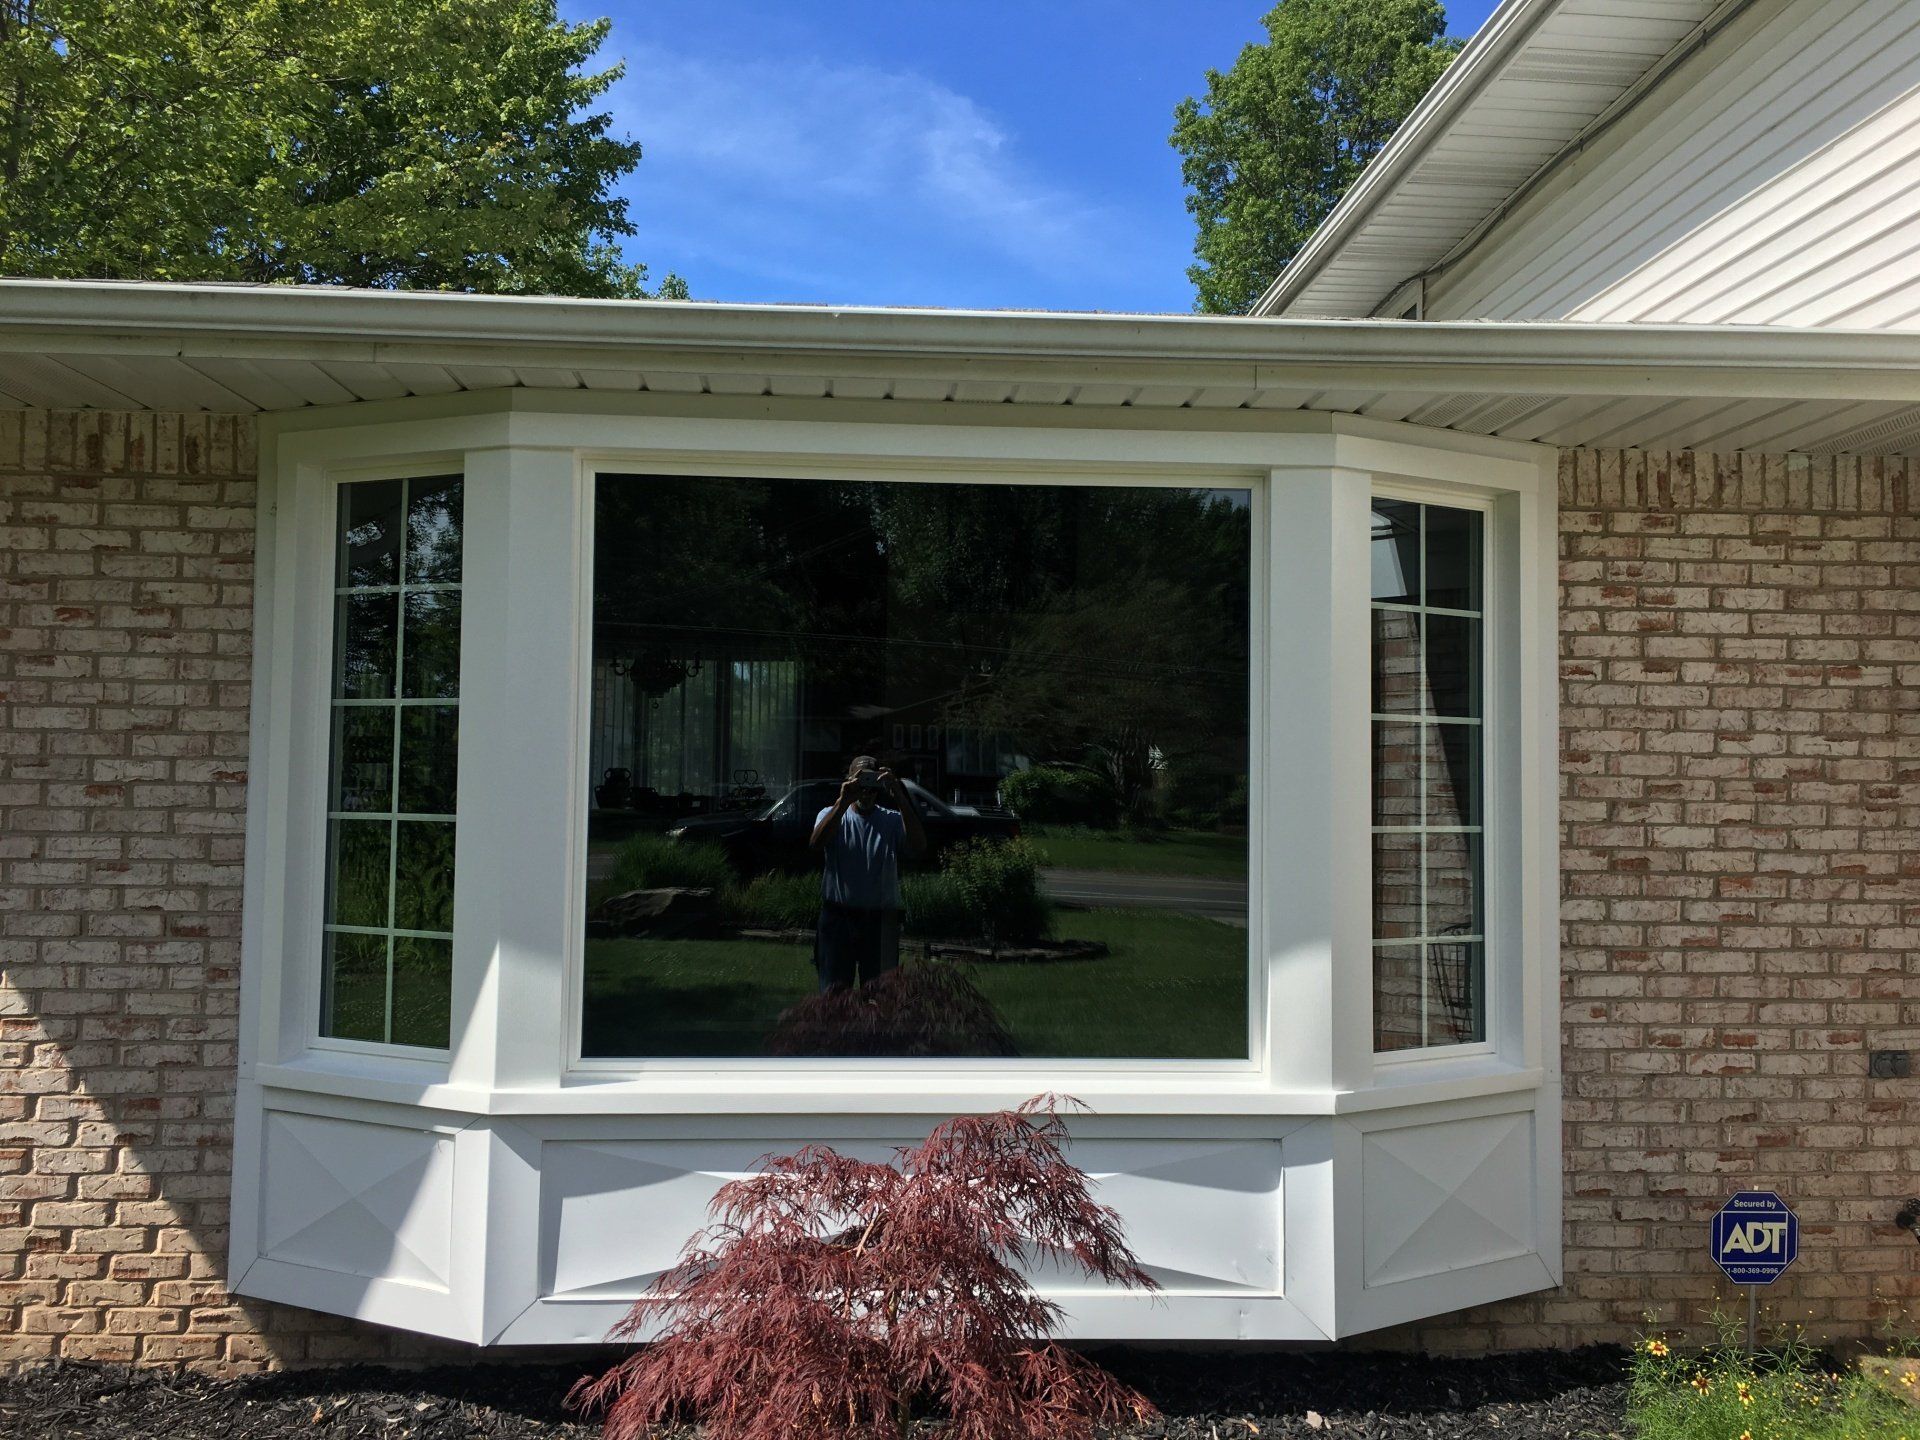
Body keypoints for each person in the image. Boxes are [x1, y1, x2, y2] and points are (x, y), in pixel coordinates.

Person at [808, 755, 927, 992]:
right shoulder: (831, 815)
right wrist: (843, 801)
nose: (867, 789)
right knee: (833, 995)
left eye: (872, 781)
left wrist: (899, 795)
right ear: (848, 781)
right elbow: (816, 843)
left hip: (880, 922)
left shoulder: (891, 820)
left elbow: (919, 846)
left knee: (880, 997)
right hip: (838, 918)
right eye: (860, 781)